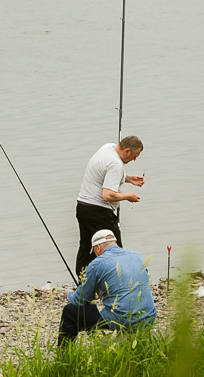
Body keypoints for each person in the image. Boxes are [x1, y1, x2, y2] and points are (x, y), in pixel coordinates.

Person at [59, 229, 156, 345]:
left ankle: (63, 356)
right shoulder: (137, 256)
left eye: (94, 251)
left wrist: (69, 294)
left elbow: (81, 299)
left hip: (122, 319)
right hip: (148, 317)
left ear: (98, 248)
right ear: (115, 242)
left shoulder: (97, 263)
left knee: (69, 312)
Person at [75, 136, 144, 276]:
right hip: (98, 211)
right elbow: (107, 195)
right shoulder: (116, 165)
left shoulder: (108, 147)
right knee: (114, 248)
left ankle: (83, 281)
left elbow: (105, 171)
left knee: (86, 245)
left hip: (83, 206)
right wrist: (128, 196)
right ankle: (112, 279)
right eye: (135, 156)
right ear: (127, 151)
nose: (134, 160)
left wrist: (128, 178)